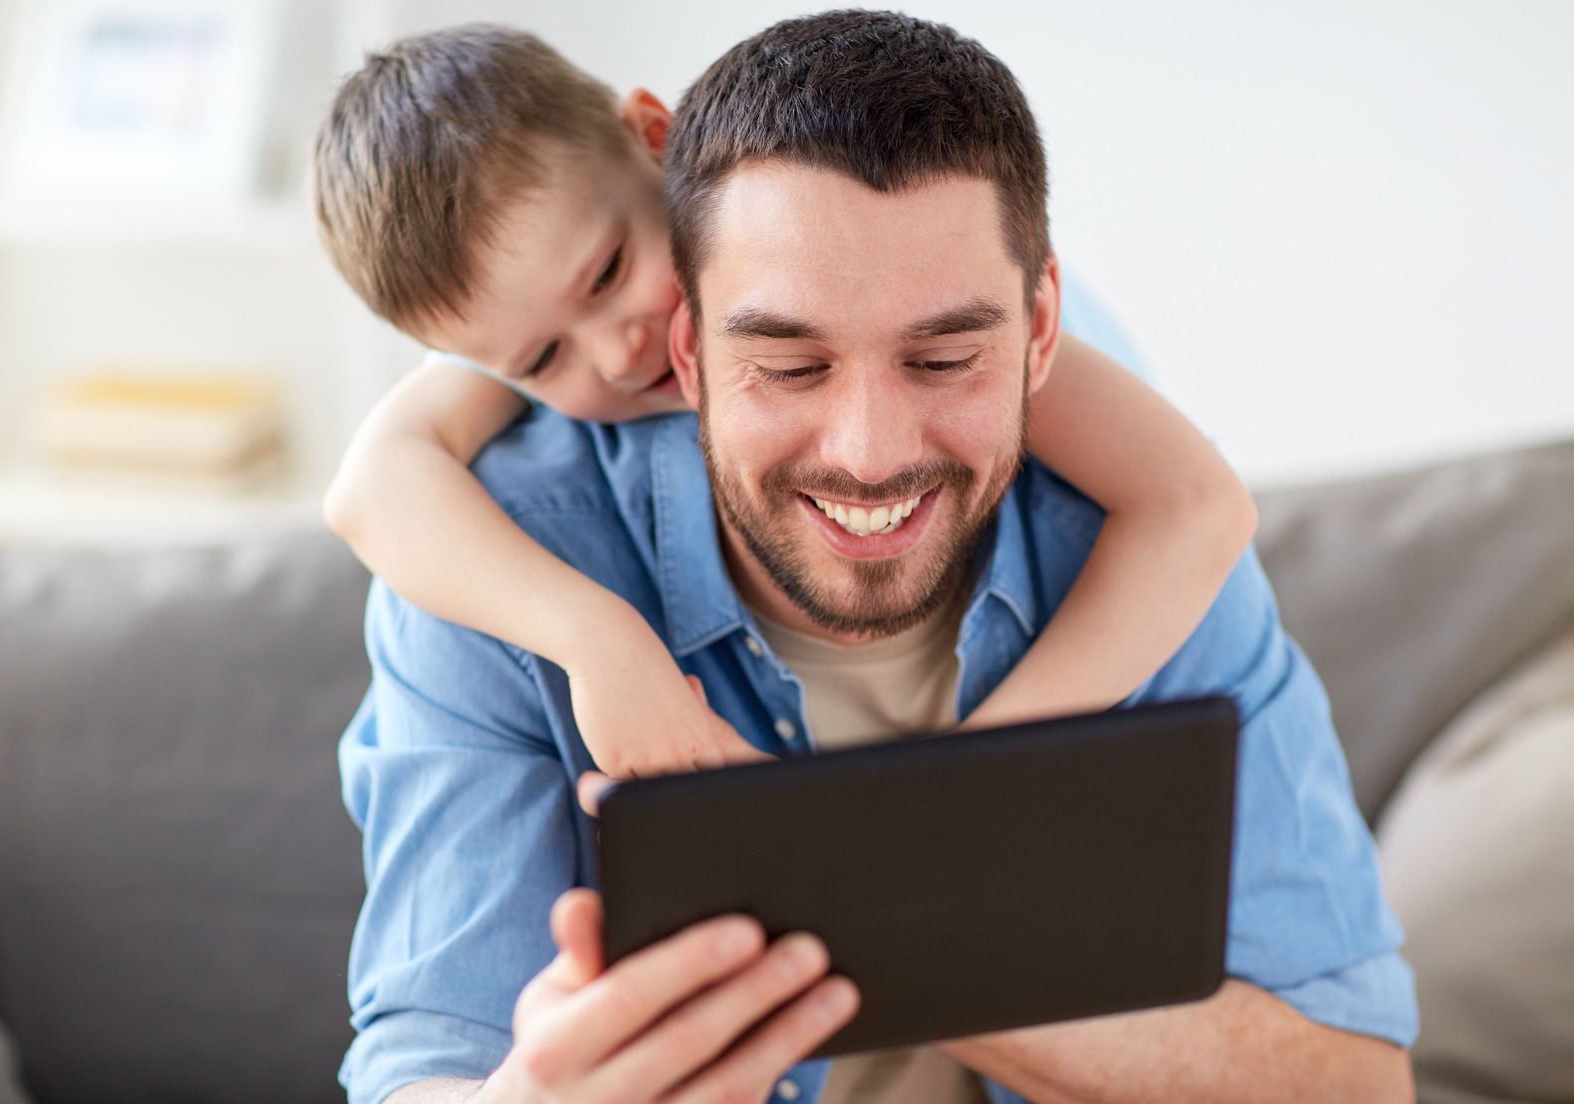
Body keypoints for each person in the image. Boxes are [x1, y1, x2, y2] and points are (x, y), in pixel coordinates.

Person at [334, 12, 1419, 1104]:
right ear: (692, 346)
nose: (870, 449)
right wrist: (597, 641)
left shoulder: (1109, 513)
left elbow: (1196, 504)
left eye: (944, 358)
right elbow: (423, 1058)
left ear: (1033, 330)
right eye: (789, 363)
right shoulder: (501, 551)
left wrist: (893, 857)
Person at [312, 25, 1257, 786]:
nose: (619, 351)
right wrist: (599, 642)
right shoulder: (579, 320)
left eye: (608, 273)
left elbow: (1196, 505)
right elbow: (373, 485)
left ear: (655, 136)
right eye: (543, 358)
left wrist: (964, 784)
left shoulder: (922, 311)